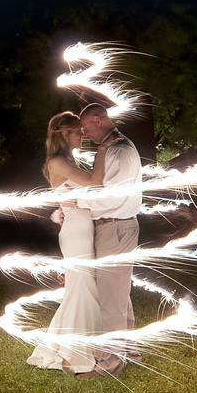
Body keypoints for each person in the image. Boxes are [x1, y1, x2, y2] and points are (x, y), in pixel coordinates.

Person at [26, 111, 115, 374]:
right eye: (78, 131)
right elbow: (94, 182)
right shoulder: (57, 162)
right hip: (76, 230)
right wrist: (103, 150)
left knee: (82, 287)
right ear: (65, 134)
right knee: (82, 287)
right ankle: (75, 352)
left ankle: (73, 346)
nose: (83, 134)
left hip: (82, 225)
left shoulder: (68, 160)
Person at [74, 102, 142, 378]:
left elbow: (109, 196)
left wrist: (76, 203)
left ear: (99, 119)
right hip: (117, 227)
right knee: (119, 293)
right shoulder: (114, 148)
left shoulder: (119, 150)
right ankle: (131, 350)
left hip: (114, 226)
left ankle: (110, 362)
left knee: (111, 298)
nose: (84, 132)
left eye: (86, 126)